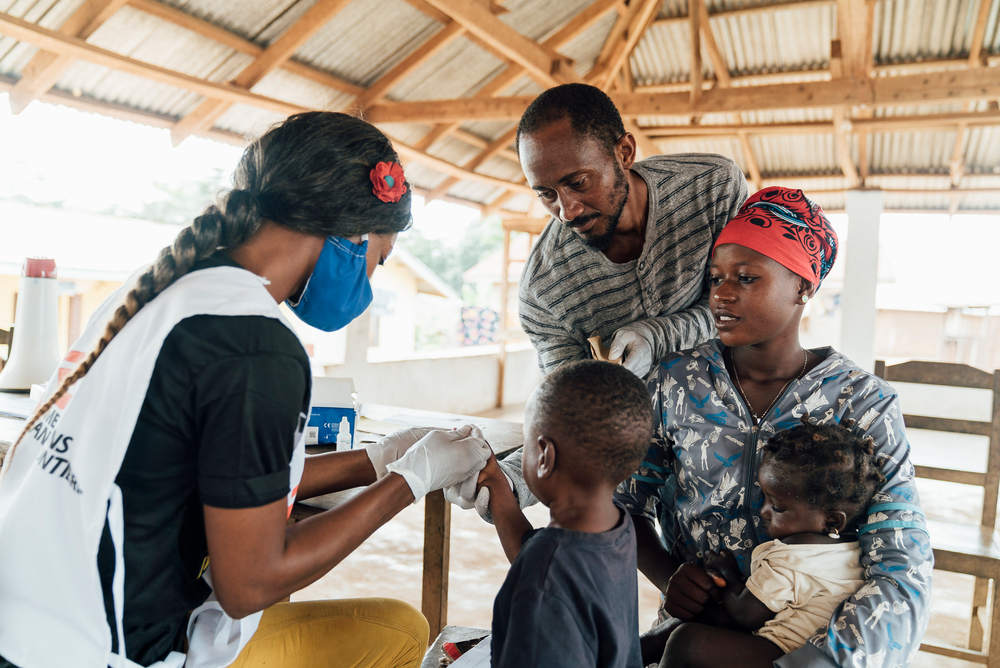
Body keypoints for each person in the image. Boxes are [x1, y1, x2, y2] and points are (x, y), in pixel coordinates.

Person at [0, 112, 492, 668]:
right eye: (378, 260)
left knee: (392, 625)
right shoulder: (256, 344)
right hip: (97, 652)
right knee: (398, 633)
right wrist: (413, 479)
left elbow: (222, 476)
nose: (369, 283)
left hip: (21, 625)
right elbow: (250, 583)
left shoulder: (155, 289)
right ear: (350, 236)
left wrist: (380, 458)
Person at [614, 186, 931, 667]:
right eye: (715, 277)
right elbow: (621, 504)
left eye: (746, 278)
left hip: (815, 642)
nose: (721, 293)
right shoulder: (676, 383)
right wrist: (674, 577)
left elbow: (901, 570)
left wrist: (818, 661)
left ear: (803, 288)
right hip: (696, 640)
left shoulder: (862, 402)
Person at [516, 83, 748, 379]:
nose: (567, 211)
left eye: (578, 183)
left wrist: (656, 337)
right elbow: (571, 403)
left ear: (624, 152)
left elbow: (742, 305)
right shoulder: (543, 289)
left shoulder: (712, 188)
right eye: (546, 194)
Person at [645, 419, 885, 667]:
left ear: (832, 519)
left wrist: (728, 572)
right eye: (766, 499)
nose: (764, 512)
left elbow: (745, 613)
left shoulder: (791, 558)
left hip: (782, 654)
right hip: (818, 654)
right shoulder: (853, 550)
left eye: (778, 507)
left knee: (687, 641)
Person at [475, 360, 652, 668]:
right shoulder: (616, 526)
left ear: (544, 455)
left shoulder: (543, 584)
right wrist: (496, 481)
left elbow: (544, 569)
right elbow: (540, 555)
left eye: (527, 442)